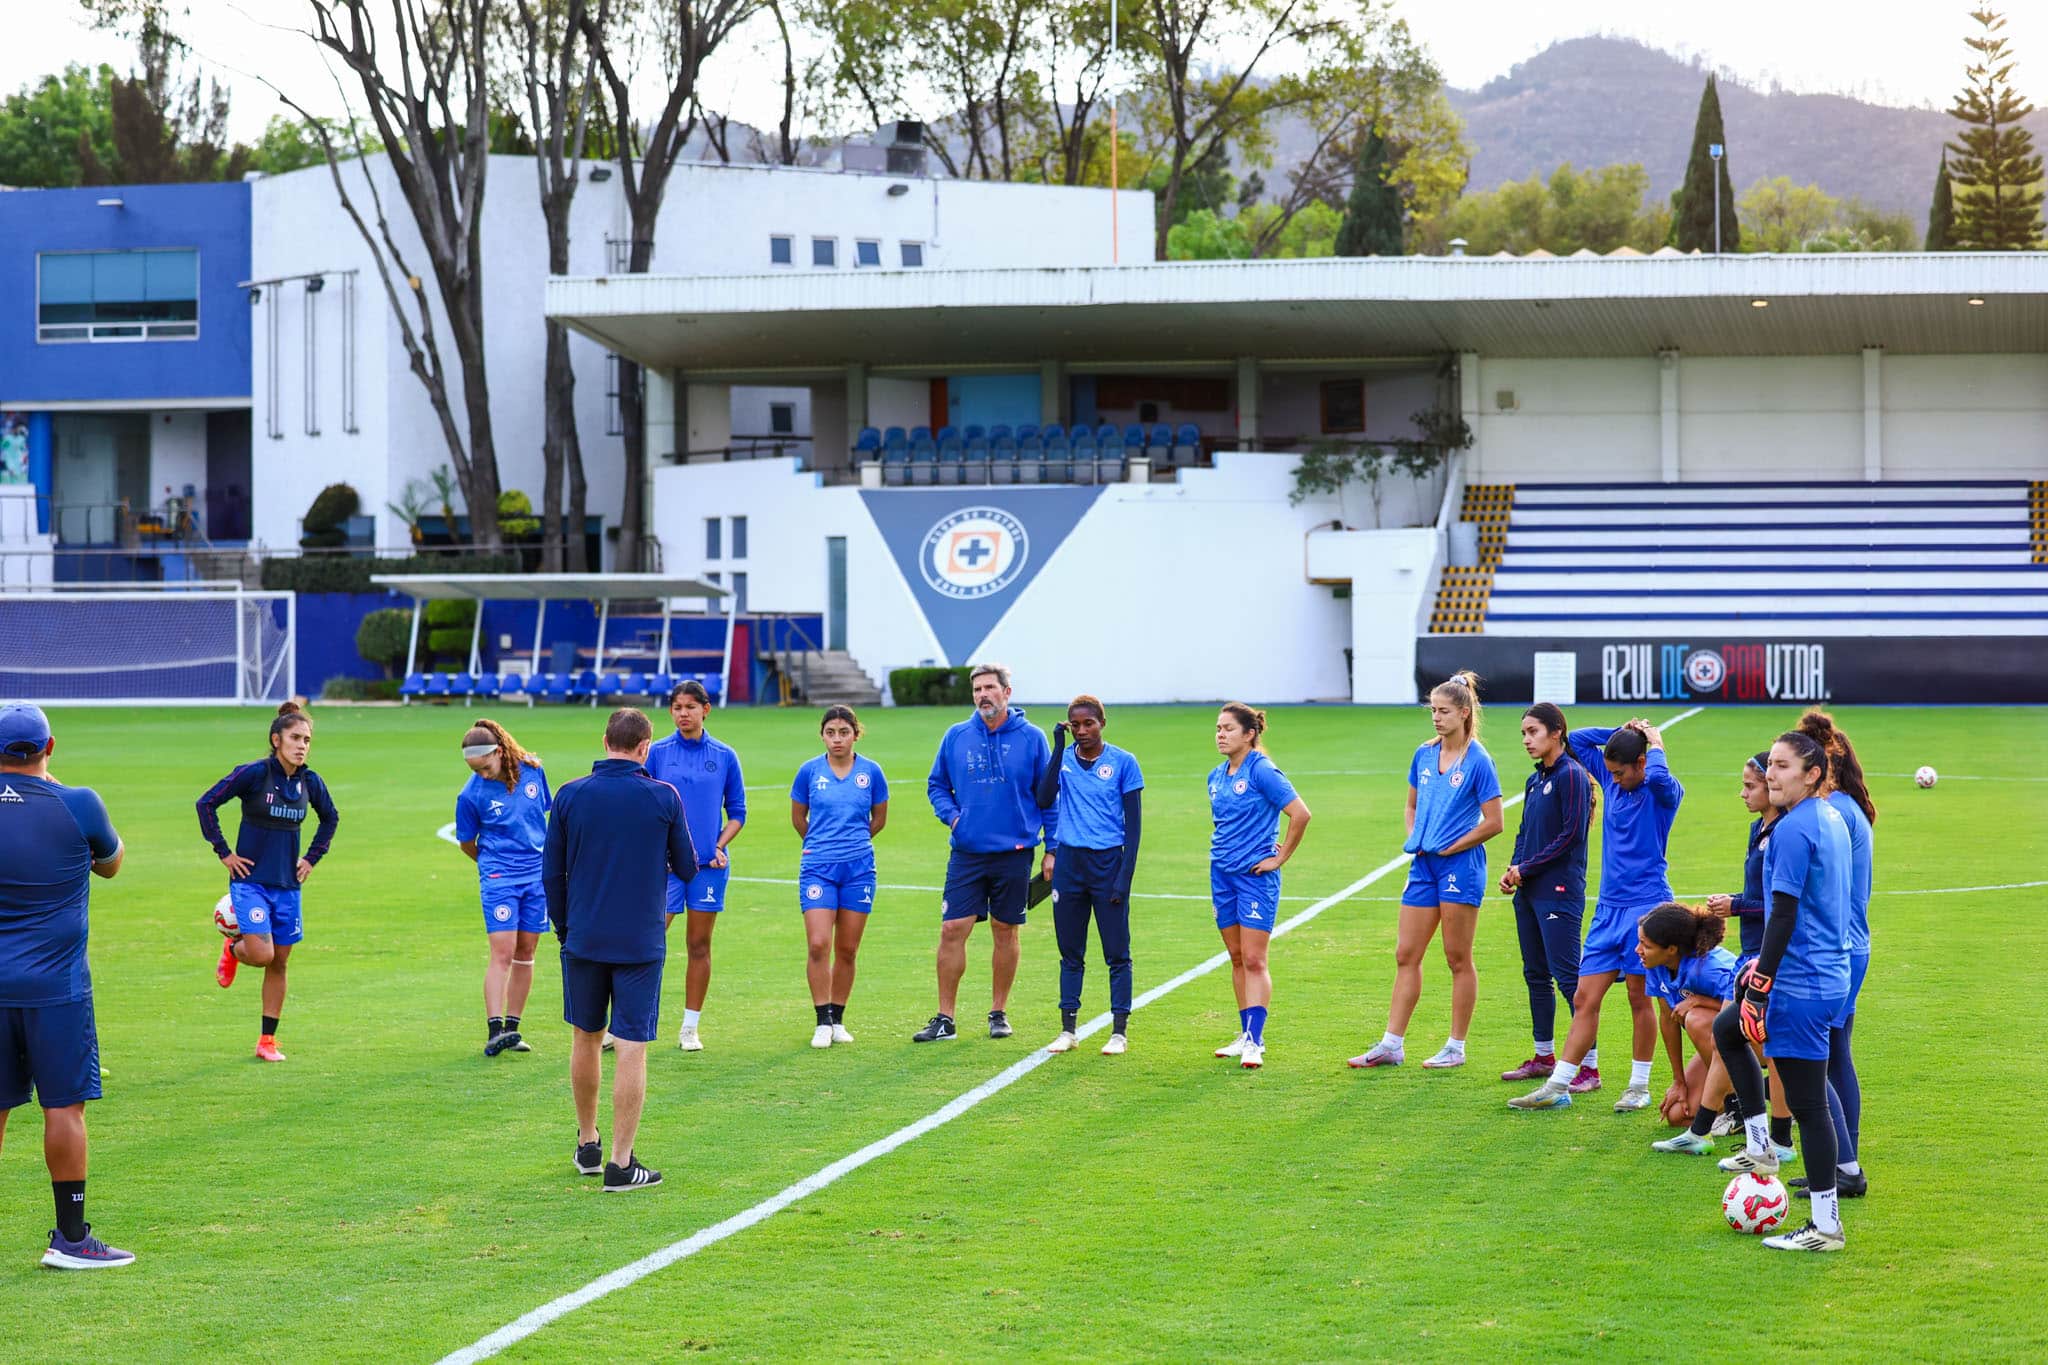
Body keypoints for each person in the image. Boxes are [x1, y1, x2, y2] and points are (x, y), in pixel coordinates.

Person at [0, 704, 133, 1269]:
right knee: (64, 1109)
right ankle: (72, 1240)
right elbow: (112, 863)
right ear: (49, 746)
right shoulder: (79, 803)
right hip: (57, 989)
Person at [1713, 731, 1855, 1252]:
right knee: (1728, 1032)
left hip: (1801, 980)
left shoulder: (1793, 830)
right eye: (1769, 765)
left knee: (1809, 1105)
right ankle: (1763, 1148)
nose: (1771, 774)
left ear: (1812, 773)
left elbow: (1787, 911)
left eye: (1782, 766)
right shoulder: (1831, 817)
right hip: (1823, 970)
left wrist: (1761, 984)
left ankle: (1824, 1227)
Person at [546, 707, 697, 1193]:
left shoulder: (569, 795)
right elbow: (688, 867)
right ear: (644, 747)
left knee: (585, 1037)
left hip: (584, 937)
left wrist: (566, 928)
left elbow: (551, 873)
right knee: (632, 1045)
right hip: (640, 941)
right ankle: (620, 1161)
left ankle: (587, 1142)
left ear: (606, 740)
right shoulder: (662, 796)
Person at [1507, 718, 1681, 1112]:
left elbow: (1658, 777)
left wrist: (1654, 743)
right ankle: (1559, 1085)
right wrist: (1622, 730)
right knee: (1585, 997)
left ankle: (1638, 1087)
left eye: (1621, 772)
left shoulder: (1661, 790)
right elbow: (1578, 740)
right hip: (1607, 911)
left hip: (1646, 909)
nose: (1614, 781)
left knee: (1640, 997)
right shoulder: (1615, 778)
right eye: (1611, 773)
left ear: (1641, 762)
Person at [1351, 672, 1503, 1070]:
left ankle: (1456, 1046)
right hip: (1423, 865)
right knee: (1406, 954)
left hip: (1460, 866)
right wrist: (1415, 835)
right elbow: (1411, 806)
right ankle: (1391, 1044)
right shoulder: (1423, 754)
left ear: (1464, 713)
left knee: (1457, 957)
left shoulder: (1479, 761)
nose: (1436, 717)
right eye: (1432, 710)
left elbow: (1494, 822)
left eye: (1444, 711)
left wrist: (1452, 845)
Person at [916, 664, 1057, 1043]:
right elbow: (936, 785)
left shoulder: (1032, 738)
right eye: (977, 689)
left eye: (990, 688)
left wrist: (1052, 848)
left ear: (1007, 692)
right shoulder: (957, 736)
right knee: (952, 930)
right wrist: (953, 818)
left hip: (1014, 852)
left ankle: (999, 1012)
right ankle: (945, 1018)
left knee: (1005, 930)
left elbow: (1049, 796)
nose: (983, 695)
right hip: (967, 852)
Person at [197, 701, 339, 1062]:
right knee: (262, 953)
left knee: (280, 962)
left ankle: (267, 1041)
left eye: (307, 739)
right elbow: (207, 803)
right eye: (295, 737)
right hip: (251, 882)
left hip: (288, 887)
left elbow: (330, 818)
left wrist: (311, 858)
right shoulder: (255, 774)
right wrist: (225, 853)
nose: (302, 745)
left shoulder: (310, 782)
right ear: (276, 739)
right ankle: (233, 948)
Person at [1788, 709, 1876, 1202]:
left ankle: (1845, 1166)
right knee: (1835, 1053)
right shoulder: (1849, 806)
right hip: (1851, 945)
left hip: (1833, 950)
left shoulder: (1832, 812)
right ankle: (1845, 1159)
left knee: (1818, 1061)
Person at [1035, 695, 1144, 1056]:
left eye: (1088, 724)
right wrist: (1057, 746)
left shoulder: (1124, 762)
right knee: (1070, 952)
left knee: (1116, 952)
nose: (1082, 731)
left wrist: (1123, 878)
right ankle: (1068, 1030)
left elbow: (1134, 827)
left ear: (1102, 723)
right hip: (1069, 865)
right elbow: (1043, 798)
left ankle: (1119, 1031)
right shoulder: (1063, 759)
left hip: (1108, 864)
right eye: (1075, 724)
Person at [1495, 702, 1594, 1083]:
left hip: (1559, 890)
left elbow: (1571, 836)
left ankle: (1590, 1065)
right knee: (1535, 973)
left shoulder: (1572, 776)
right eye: (1523, 733)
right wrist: (1513, 869)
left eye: (1533, 731)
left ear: (1557, 732)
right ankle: (1543, 1056)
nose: (1526, 740)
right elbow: (1524, 832)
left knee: (1568, 978)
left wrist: (1527, 868)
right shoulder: (1535, 781)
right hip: (1530, 889)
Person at [1208, 703, 1311, 1070]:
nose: (1220, 734)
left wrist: (1279, 857)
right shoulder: (1215, 777)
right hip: (1221, 874)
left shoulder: (1262, 771)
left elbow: (1300, 813)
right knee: (1236, 957)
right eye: (1218, 728)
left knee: (1254, 958)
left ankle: (1255, 1040)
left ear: (1249, 734)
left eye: (1228, 729)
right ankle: (1245, 1033)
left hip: (1254, 878)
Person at [645, 679, 746, 1052]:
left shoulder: (724, 755)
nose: (683, 714)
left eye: (690, 707)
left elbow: (737, 812)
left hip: (707, 868)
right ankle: (624, 1022)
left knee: (699, 944)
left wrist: (720, 844)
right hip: (665, 868)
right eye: (676, 707)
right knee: (648, 942)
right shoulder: (657, 753)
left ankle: (690, 1027)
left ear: (706, 709)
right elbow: (645, 807)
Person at [790, 706, 888, 1049]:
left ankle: (838, 1018)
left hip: (859, 869)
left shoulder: (871, 772)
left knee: (847, 949)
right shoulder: (809, 771)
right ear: (822, 735)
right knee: (819, 944)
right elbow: (799, 818)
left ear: (855, 735)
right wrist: (821, 844)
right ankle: (821, 1020)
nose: (836, 739)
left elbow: (878, 819)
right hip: (818, 868)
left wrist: (853, 844)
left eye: (843, 732)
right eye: (830, 732)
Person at [454, 719, 553, 1056]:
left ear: (499, 752)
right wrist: (493, 866)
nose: (481, 774)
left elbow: (542, 817)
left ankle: (513, 1029)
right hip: (499, 878)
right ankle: (494, 1029)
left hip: (536, 876)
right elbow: (467, 843)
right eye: (474, 769)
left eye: (484, 767)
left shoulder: (534, 771)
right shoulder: (470, 794)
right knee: (503, 952)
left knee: (526, 952)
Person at [1634, 903, 1740, 1155]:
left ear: (1671, 949)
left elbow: (1751, 1007)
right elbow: (1668, 1019)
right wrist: (1678, 1081)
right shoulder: (1656, 966)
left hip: (1757, 1041)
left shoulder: (1711, 969)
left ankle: (1743, 1104)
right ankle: (1738, 1104)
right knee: (1679, 1114)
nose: (1638, 950)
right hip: (1718, 1047)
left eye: (1646, 945)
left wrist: (1701, 1000)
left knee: (1695, 1018)